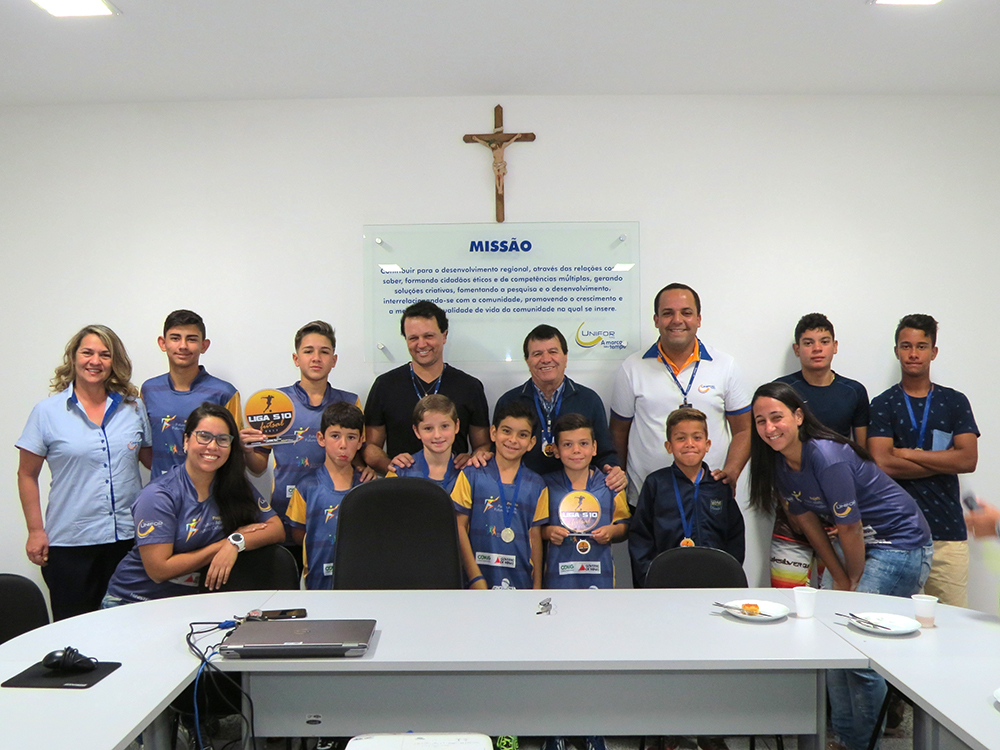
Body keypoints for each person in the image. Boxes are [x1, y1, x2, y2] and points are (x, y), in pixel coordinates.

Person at [748, 382, 932, 750]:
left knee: (858, 649)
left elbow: (848, 525)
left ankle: (861, 745)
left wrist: (851, 581)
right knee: (832, 644)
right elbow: (809, 526)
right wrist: (841, 578)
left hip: (899, 544)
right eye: (760, 421)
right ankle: (848, 740)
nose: (769, 428)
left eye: (777, 417)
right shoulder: (782, 464)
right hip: (854, 545)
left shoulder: (827, 456)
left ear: (798, 417)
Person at [16, 325, 152, 620]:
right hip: (70, 544)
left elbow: (153, 461)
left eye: (105, 355)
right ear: (73, 358)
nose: (95, 361)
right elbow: (26, 474)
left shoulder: (133, 407)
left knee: (131, 627)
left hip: (128, 541)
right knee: (75, 633)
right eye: (87, 352)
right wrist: (35, 531)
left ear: (114, 362)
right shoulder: (47, 412)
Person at [103, 403, 283, 604]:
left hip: (189, 602)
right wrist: (222, 546)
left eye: (222, 439)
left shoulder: (234, 486)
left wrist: (236, 542)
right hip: (135, 600)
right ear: (186, 441)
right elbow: (159, 570)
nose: (213, 447)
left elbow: (276, 528)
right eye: (204, 437)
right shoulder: (159, 495)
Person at [869, 314, 979, 607]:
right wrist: (944, 459)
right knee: (892, 621)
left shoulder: (955, 402)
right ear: (896, 351)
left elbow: (967, 460)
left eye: (921, 346)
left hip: (947, 535)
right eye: (906, 346)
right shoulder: (882, 404)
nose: (913, 353)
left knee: (953, 626)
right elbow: (883, 464)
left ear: (934, 351)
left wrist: (906, 453)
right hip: (896, 537)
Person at [610, 283, 751, 508]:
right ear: (656, 320)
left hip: (709, 495)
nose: (677, 320)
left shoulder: (725, 365)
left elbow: (744, 430)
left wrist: (732, 472)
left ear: (699, 319)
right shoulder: (632, 368)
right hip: (649, 499)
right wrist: (618, 493)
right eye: (668, 313)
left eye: (686, 313)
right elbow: (618, 433)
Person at [239, 321, 363, 558]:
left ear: (334, 360)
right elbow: (258, 466)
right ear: (296, 359)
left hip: (335, 516)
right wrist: (246, 450)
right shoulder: (274, 402)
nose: (316, 358)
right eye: (308, 351)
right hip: (284, 515)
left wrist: (364, 468)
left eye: (324, 351)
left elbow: (357, 453)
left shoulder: (350, 402)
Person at [771, 313, 870, 588]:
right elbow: (772, 451)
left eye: (824, 341)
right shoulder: (782, 390)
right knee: (787, 597)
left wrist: (849, 515)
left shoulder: (854, 391)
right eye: (808, 342)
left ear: (835, 346)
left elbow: (863, 454)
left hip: (839, 513)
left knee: (836, 596)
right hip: (793, 509)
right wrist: (788, 507)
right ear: (796, 349)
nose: (817, 349)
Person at [364, 300, 491, 474]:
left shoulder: (470, 387)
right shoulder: (384, 385)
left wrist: (473, 458)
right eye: (413, 338)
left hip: (456, 486)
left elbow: (483, 444)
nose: (421, 344)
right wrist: (391, 467)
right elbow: (370, 446)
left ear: (444, 335)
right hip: (402, 488)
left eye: (429, 336)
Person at [495, 325, 625, 495]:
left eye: (553, 351)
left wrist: (613, 470)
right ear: (527, 360)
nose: (546, 359)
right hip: (522, 496)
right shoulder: (509, 401)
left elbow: (604, 453)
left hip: (576, 497)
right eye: (537, 354)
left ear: (565, 356)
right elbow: (496, 453)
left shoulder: (589, 400)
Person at [629, 407, 745, 587]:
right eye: (681, 438)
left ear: (707, 445)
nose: (689, 443)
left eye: (697, 438)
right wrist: (648, 577)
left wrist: (730, 572)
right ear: (669, 446)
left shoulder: (719, 486)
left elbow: (735, 535)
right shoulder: (656, 484)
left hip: (714, 578)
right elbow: (641, 537)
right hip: (666, 579)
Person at [141, 310, 264, 477]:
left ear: (204, 345)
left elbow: (234, 452)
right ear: (163, 343)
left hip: (211, 496)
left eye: (191, 339)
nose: (183, 346)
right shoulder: (149, 390)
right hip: (162, 493)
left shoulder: (225, 393)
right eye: (175, 338)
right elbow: (145, 449)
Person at [452, 401, 549, 590]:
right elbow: (459, 527)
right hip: (477, 581)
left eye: (522, 435)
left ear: (531, 443)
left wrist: (536, 587)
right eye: (507, 431)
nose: (513, 440)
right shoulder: (471, 475)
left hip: (521, 583)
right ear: (493, 433)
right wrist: (474, 577)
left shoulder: (537, 485)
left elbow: (535, 536)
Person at [542, 413, 630, 589]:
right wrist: (548, 532)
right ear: (556, 451)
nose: (576, 450)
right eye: (568, 444)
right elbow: (534, 529)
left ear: (594, 448)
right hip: (558, 576)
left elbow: (624, 526)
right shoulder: (544, 485)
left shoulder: (610, 484)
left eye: (583, 444)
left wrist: (611, 531)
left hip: (600, 576)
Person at [286, 402, 365, 590]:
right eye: (335, 436)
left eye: (351, 437)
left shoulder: (368, 487)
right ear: (321, 438)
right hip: (317, 585)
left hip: (361, 585)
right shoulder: (306, 488)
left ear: (361, 441)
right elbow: (299, 534)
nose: (343, 445)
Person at [386, 394, 461, 493]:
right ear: (416, 431)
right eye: (428, 428)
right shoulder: (399, 472)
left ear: (456, 426)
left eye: (444, 426)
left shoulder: (468, 472)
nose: (437, 435)